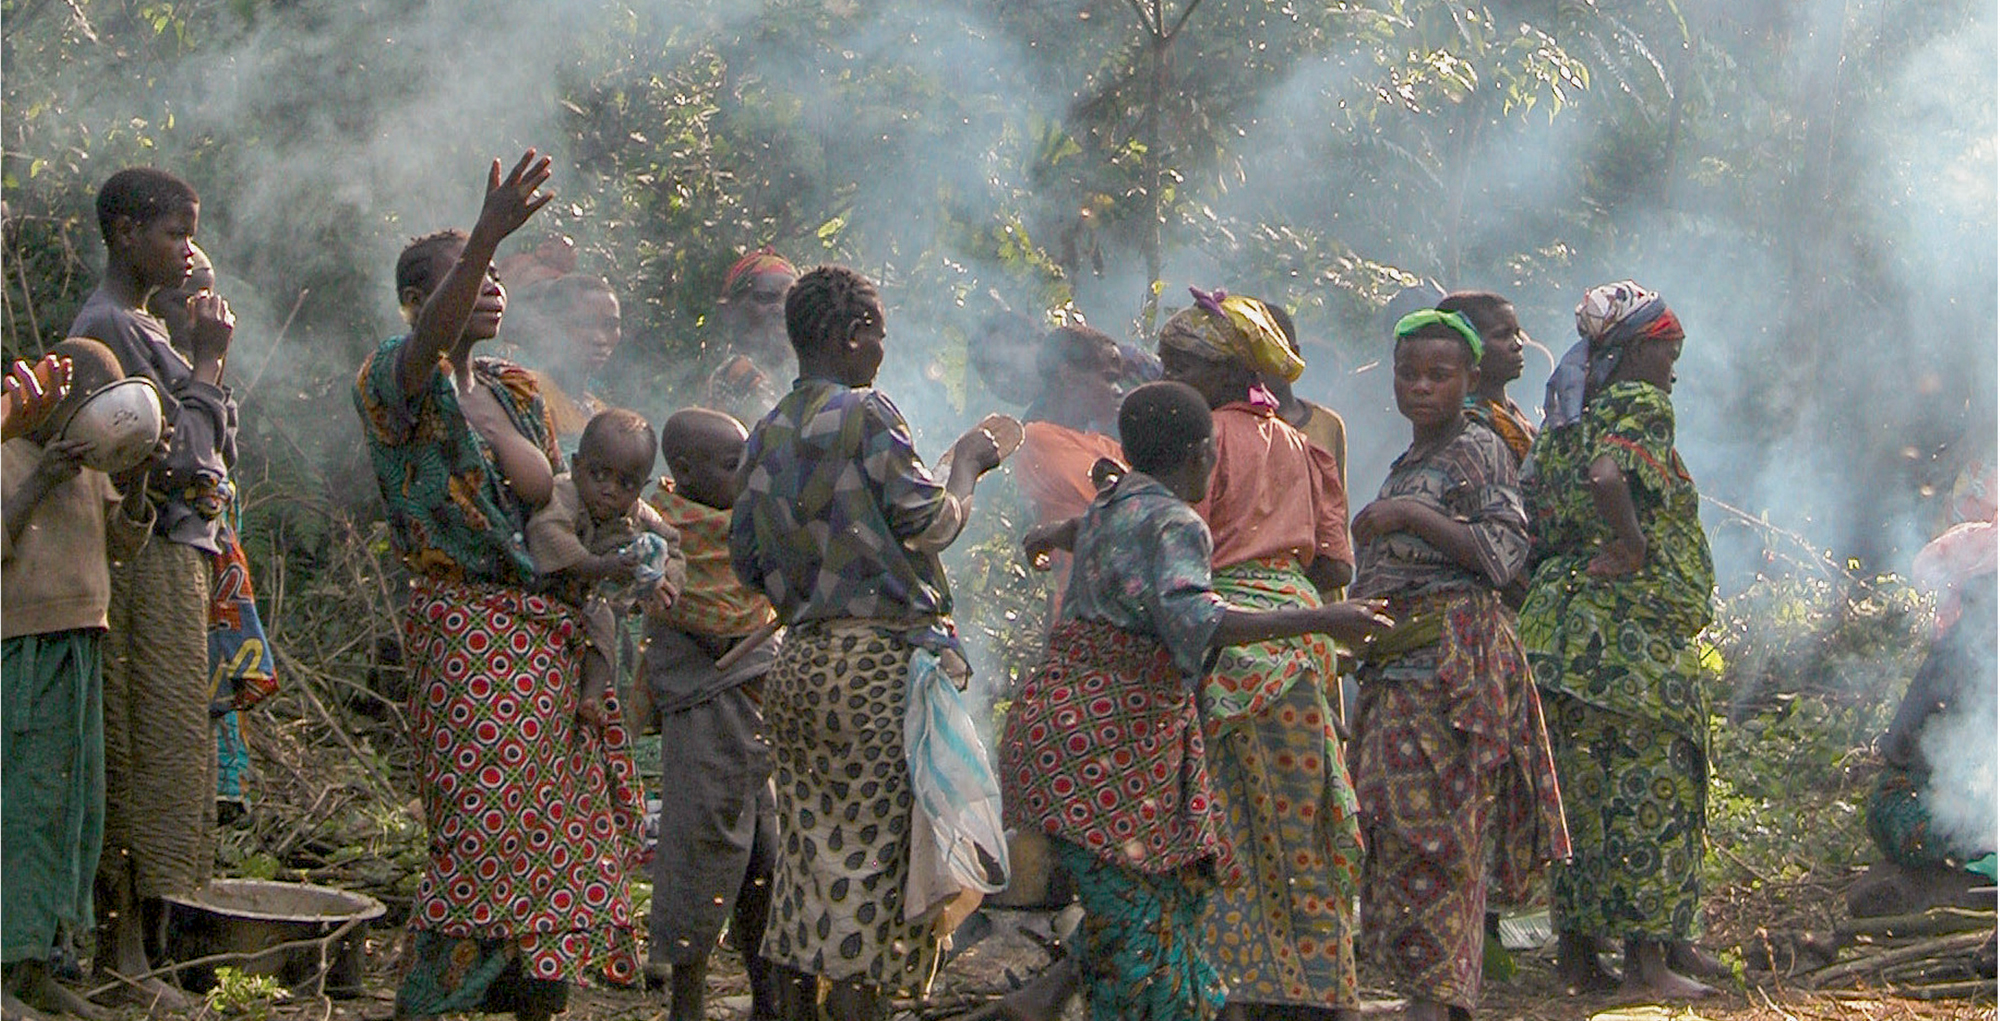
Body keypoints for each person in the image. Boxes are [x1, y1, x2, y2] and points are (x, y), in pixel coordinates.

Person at [353, 151, 644, 1020]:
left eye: (491, 273)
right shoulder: (392, 381)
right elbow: (426, 354)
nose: (489, 285)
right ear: (417, 302)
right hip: (471, 633)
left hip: (550, 635)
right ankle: (436, 999)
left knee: (557, 830)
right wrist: (485, 230)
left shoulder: (516, 391)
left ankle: (533, 997)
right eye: (463, 276)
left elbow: (556, 498)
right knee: (482, 830)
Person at [1003, 381, 1393, 1021]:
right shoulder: (1178, 523)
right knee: (1144, 928)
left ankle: (1040, 1004)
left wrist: (1049, 534)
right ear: (1198, 455)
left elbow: (1082, 527)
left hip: (1058, 732)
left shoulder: (1111, 504)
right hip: (1114, 741)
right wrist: (1322, 618)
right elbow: (1199, 619)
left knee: (1135, 906)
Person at [729, 265, 1004, 1021]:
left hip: (799, 667)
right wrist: (968, 464)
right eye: (877, 331)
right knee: (874, 881)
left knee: (809, 870)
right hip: (875, 671)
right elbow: (932, 522)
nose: (882, 347)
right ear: (853, 335)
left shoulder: (764, 431)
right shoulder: (867, 412)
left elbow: (745, 562)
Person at [1347, 310, 1569, 1021]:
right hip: (1403, 674)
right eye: (1408, 373)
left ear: (1471, 380)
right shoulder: (1410, 461)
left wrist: (1408, 515)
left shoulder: (1480, 451)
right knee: (1402, 834)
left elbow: (1503, 555)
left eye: (1439, 375)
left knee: (1443, 835)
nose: (1420, 387)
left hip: (1453, 675)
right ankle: (1429, 997)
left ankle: (1438, 1001)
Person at [1153, 287, 1359, 1020]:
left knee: (1232, 827)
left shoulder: (1197, 445)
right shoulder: (1304, 445)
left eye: (1176, 363)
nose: (1166, 375)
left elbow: (1181, 548)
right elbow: (1335, 566)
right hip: (1304, 650)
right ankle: (1318, 987)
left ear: (1216, 370)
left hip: (1231, 647)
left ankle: (1237, 991)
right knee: (1305, 820)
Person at [69, 166, 239, 1005]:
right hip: (146, 559)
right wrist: (208, 362)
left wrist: (197, 354)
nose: (186, 250)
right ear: (125, 233)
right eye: (174, 233)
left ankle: (142, 951)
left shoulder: (142, 325)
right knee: (136, 748)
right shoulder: (106, 328)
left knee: (166, 746)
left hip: (176, 556)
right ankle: (121, 957)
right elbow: (172, 460)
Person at [1518, 281, 1716, 999]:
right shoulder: (1638, 402)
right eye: (1669, 350)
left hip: (1563, 632)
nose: (1673, 367)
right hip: (1623, 642)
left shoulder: (1568, 413)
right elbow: (1610, 475)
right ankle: (1645, 964)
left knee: (1582, 797)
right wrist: (1632, 547)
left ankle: (1576, 961)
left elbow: (1538, 500)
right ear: (1638, 349)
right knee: (1650, 790)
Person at [3, 339, 159, 1021]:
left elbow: (121, 543)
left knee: (72, 815)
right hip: (21, 653)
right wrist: (37, 480)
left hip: (79, 648)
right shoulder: (9, 450)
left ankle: (36, 966)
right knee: (21, 810)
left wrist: (142, 477)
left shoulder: (89, 464)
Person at [642, 408, 786, 1021]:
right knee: (699, 852)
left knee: (765, 856)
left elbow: (764, 600)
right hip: (704, 716)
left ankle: (768, 998)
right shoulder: (663, 530)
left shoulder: (751, 523)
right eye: (733, 465)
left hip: (757, 717)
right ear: (684, 470)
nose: (745, 473)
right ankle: (688, 1002)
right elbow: (683, 612)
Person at [525, 407, 686, 729]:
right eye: (599, 474)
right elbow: (546, 531)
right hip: (544, 593)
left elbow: (672, 543)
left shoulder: (639, 512)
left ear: (641, 488)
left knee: (605, 631)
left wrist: (666, 579)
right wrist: (599, 566)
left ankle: (591, 697)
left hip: (591, 602)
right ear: (576, 466)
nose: (610, 489)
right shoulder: (565, 493)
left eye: (625, 483)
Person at [1014, 324, 1128, 615]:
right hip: (1086, 606)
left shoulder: (1102, 444)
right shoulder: (1037, 437)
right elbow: (1116, 506)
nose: (1119, 391)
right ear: (1067, 375)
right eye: (1109, 379)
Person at [509, 273, 624, 445]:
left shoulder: (601, 413)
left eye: (610, 325)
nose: (600, 339)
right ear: (551, 326)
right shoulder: (525, 392)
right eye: (585, 323)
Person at [1257, 301, 1349, 490]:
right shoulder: (1235, 428)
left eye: (1270, 352)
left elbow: (1337, 504)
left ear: (1294, 354)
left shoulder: (1327, 425)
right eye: (1253, 354)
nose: (1260, 365)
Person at [1435, 291, 1534, 468]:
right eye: (1502, 335)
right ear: (1467, 346)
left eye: (1516, 333)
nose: (1518, 344)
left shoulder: (1508, 413)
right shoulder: (1467, 427)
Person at [703, 247, 798, 422]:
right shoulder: (738, 373)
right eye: (765, 298)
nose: (780, 309)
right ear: (729, 312)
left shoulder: (791, 374)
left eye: (790, 301)